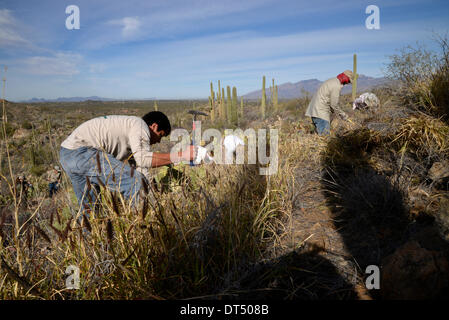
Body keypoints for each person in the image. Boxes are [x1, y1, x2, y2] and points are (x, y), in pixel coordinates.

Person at [59, 111, 195, 211]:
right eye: (160, 135)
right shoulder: (140, 125)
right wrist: (182, 155)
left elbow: (139, 168)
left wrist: (153, 192)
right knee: (135, 182)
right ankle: (146, 228)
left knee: (92, 211)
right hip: (82, 152)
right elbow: (143, 161)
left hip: (66, 154)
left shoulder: (131, 133)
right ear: (153, 126)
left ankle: (90, 245)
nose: (158, 141)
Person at [305, 70, 353, 135]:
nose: (348, 83)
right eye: (349, 81)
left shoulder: (332, 81)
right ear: (345, 78)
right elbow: (334, 105)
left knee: (319, 135)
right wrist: (343, 115)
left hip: (316, 111)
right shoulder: (336, 86)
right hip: (321, 113)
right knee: (325, 137)